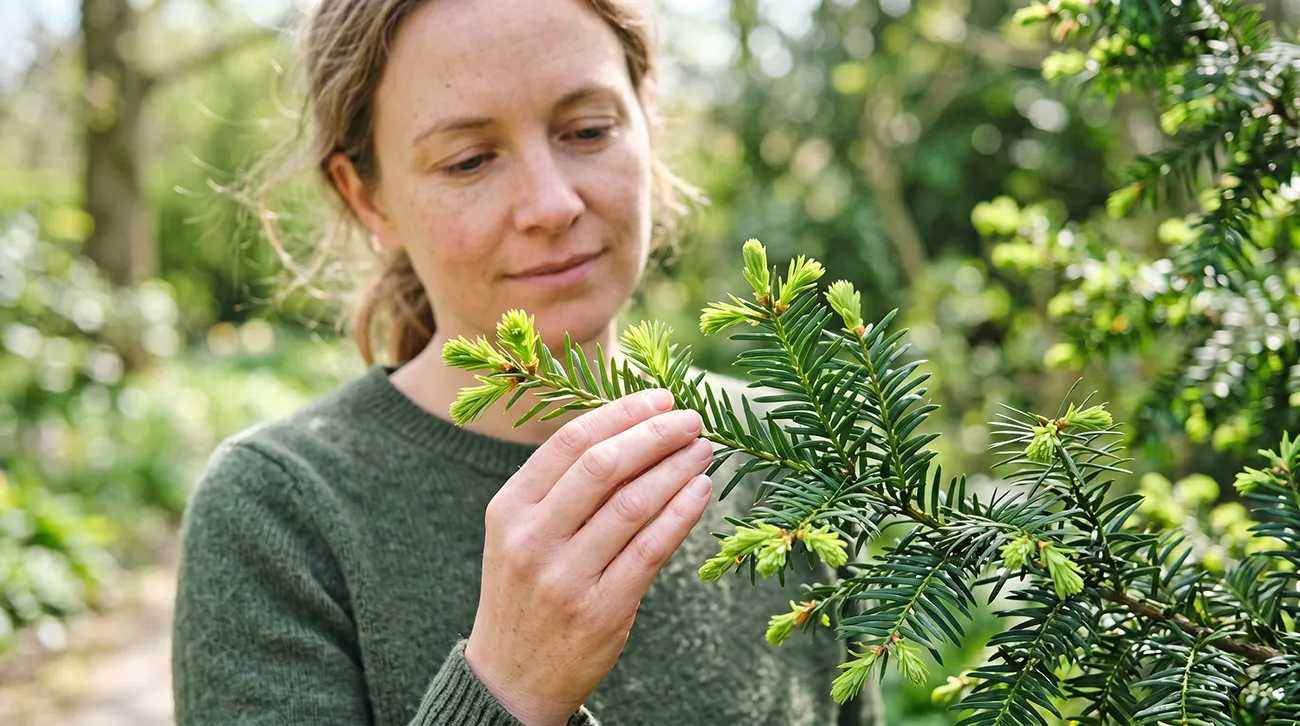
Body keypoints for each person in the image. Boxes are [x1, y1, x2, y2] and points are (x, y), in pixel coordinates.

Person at [171, 0, 881, 724]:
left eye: (587, 130)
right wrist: (510, 686)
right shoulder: (279, 515)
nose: (551, 203)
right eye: (470, 159)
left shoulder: (788, 452)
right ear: (368, 198)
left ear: (648, 116)